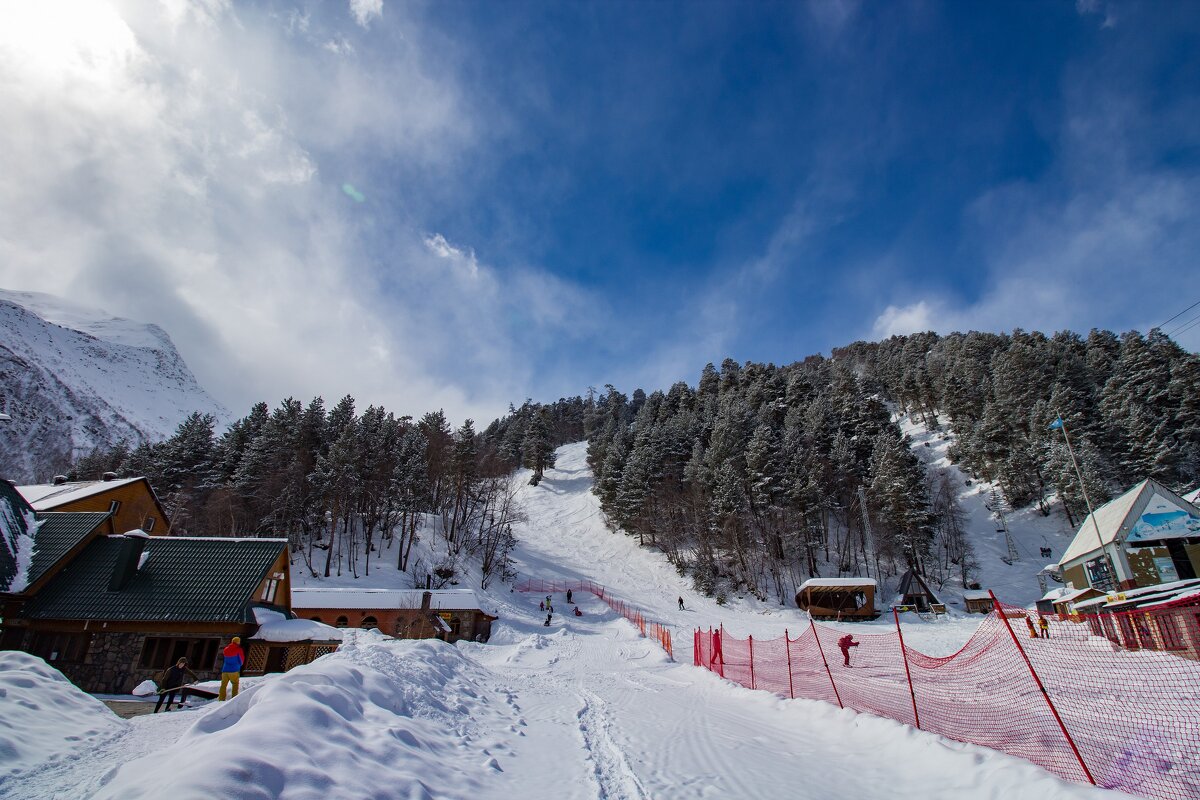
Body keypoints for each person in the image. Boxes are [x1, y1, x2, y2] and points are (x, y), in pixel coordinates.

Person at [218, 636, 245, 701]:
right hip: (234, 670)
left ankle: (221, 699)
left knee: (223, 685)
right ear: (238, 642)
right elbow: (241, 660)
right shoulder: (238, 649)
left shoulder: (226, 649)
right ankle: (233, 699)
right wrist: (239, 665)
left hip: (225, 670)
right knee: (235, 684)